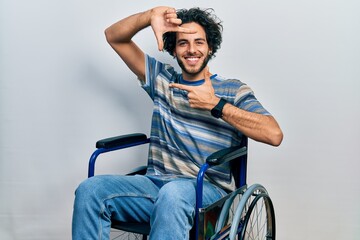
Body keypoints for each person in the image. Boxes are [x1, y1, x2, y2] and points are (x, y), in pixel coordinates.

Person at [72, 6, 283, 240]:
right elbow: (114, 37)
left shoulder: (232, 90)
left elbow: (274, 134)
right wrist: (148, 16)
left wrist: (216, 104)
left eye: (199, 42)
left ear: (210, 47)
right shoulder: (162, 80)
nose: (192, 49)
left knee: (173, 194)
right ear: (173, 49)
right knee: (89, 190)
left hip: (207, 194)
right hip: (153, 187)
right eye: (183, 43)